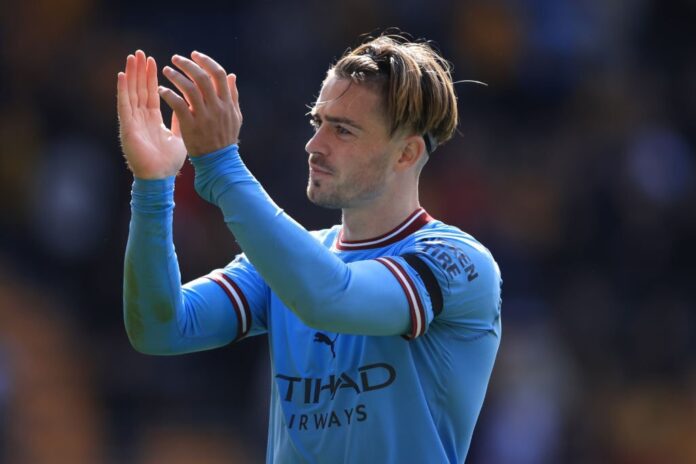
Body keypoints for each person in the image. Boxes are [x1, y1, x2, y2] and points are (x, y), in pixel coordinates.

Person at [117, 34, 502, 463]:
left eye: (343, 130)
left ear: (406, 153)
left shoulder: (457, 261)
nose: (314, 145)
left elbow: (331, 298)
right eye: (317, 122)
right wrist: (152, 189)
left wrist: (221, 166)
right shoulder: (288, 264)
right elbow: (161, 329)